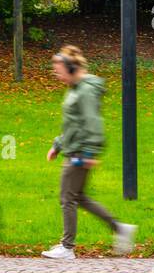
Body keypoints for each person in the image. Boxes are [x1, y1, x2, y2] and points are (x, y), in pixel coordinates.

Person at [40, 45, 136, 259]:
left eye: (59, 71)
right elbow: (74, 123)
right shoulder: (76, 89)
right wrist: (57, 145)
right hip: (75, 149)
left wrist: (90, 153)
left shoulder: (85, 90)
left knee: (67, 197)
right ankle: (120, 228)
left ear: (72, 68)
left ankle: (67, 247)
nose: (57, 76)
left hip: (80, 153)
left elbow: (92, 123)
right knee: (78, 197)